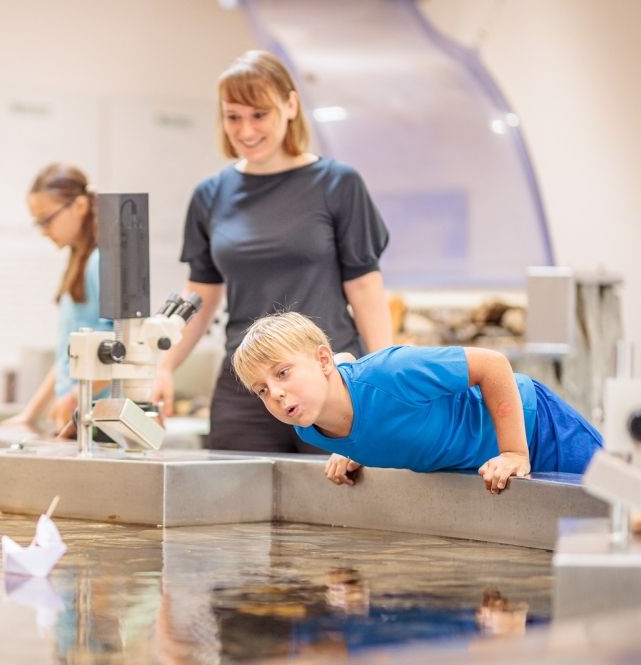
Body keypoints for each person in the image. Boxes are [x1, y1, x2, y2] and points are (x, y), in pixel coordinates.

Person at [151, 50, 393, 453]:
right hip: (246, 386)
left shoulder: (338, 184)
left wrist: (388, 376)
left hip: (329, 379)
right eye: (233, 116)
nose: (245, 130)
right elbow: (201, 297)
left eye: (259, 114)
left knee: (337, 501)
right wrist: (162, 365)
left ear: (291, 105)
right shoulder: (210, 196)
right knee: (230, 501)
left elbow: (366, 290)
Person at [231, 312, 604, 494]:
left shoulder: (392, 372)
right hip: (478, 462)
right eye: (261, 389)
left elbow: (492, 364)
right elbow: (345, 365)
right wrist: (358, 447)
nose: (275, 394)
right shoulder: (310, 423)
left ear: (323, 361)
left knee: (620, 512)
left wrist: (513, 452)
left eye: (282, 373)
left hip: (538, 427)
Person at [0, 164, 112, 439]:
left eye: (47, 219)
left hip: (99, 418)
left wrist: (74, 398)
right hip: (76, 413)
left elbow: (123, 350)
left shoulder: (100, 263)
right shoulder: (77, 263)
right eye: (38, 223)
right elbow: (66, 358)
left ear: (80, 206)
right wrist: (29, 415)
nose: (43, 231)